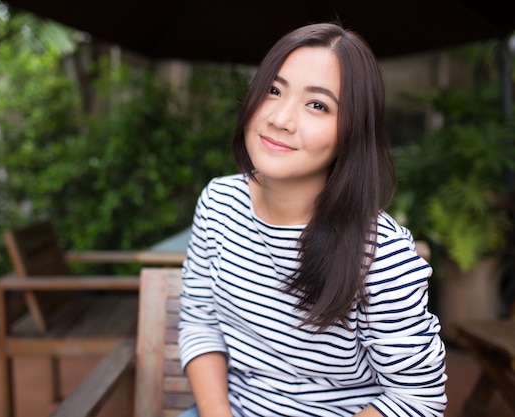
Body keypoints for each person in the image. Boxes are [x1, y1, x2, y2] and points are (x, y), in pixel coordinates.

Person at [177, 22, 447, 417]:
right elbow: (200, 324)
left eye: (318, 105)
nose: (281, 118)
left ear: (351, 132)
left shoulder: (381, 256)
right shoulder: (219, 203)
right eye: (273, 90)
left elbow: (417, 400)